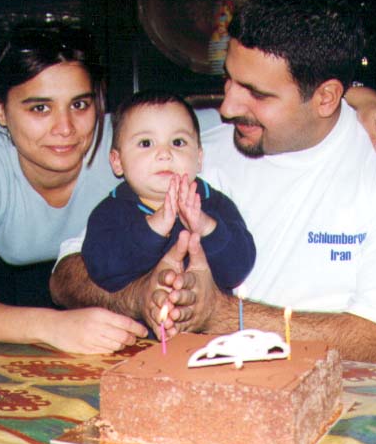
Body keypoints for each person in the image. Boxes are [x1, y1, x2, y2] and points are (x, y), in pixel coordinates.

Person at [50, 0, 376, 365]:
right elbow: (67, 274)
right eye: (228, 78)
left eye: (256, 93)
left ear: (327, 97)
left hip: (340, 408)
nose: (226, 107)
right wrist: (141, 296)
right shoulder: (191, 146)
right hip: (195, 387)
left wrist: (220, 314)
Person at [0, 24, 148, 354]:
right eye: (40, 108)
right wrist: (52, 327)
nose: (65, 128)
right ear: (0, 108)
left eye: (80, 105)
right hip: (12, 311)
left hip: (112, 304)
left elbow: (218, 126)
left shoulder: (129, 141)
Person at [82, 90, 255, 296]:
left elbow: (238, 269)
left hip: (209, 325)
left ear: (199, 158)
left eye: (178, 142)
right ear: (117, 162)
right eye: (146, 143)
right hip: (140, 327)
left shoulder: (213, 203)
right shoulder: (110, 212)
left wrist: (206, 227)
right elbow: (102, 271)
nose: (165, 154)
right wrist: (151, 229)